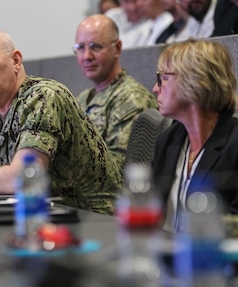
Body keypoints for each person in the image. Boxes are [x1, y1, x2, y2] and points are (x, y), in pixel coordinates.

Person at [0, 29, 122, 215]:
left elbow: (23, 177)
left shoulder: (44, 97)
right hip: (48, 217)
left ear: (15, 60)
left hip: (94, 220)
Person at [151, 39, 238, 233]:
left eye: (163, 78)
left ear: (194, 82)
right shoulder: (168, 140)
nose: (155, 88)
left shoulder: (234, 144)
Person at [74, 14, 158, 173]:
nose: (87, 56)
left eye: (95, 46)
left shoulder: (132, 98)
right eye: (80, 48)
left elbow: (117, 170)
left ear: (117, 48)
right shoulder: (83, 99)